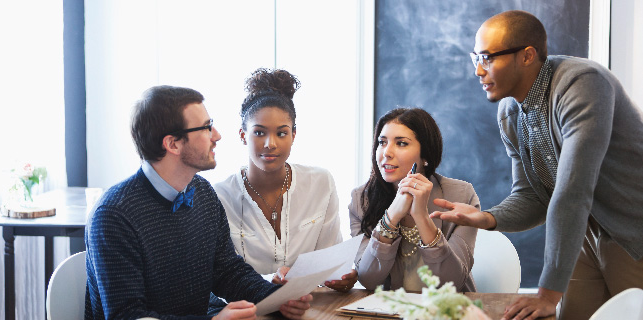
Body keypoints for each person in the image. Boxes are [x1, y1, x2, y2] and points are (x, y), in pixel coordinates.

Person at [430, 10, 643, 320]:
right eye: (475, 57)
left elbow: (573, 191)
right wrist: (487, 218)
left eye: (487, 57)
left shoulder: (583, 84)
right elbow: (532, 196)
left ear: (527, 56)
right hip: (583, 234)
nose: (477, 70)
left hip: (633, 232)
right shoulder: (509, 113)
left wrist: (547, 294)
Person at [85, 85, 312, 320]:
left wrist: (276, 297)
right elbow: (128, 316)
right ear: (172, 144)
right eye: (205, 128)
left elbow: (227, 271)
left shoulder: (201, 191)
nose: (217, 135)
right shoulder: (113, 215)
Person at [213, 68, 357, 292]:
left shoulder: (321, 183)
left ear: (293, 135)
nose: (270, 143)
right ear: (243, 135)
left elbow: (331, 260)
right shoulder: (219, 196)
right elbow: (219, 279)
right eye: (259, 132)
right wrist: (270, 279)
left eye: (281, 133)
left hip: (311, 308)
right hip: (250, 312)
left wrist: (341, 275)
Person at [350, 107, 480, 292]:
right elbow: (369, 279)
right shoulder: (361, 200)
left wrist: (421, 216)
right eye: (382, 142)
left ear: (425, 154)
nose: (386, 152)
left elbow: (450, 282)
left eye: (401, 143)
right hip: (388, 311)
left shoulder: (461, 196)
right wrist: (391, 216)